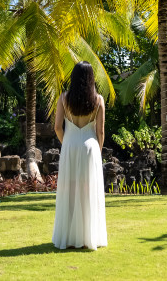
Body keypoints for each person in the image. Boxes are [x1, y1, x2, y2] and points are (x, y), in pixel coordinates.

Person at [52, 61, 108, 250]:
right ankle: (87, 237)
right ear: (91, 78)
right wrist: (98, 152)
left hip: (69, 145)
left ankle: (68, 237)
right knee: (88, 191)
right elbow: (100, 132)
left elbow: (57, 127)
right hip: (90, 148)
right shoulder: (98, 100)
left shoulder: (64, 98)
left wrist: (66, 142)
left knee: (69, 191)